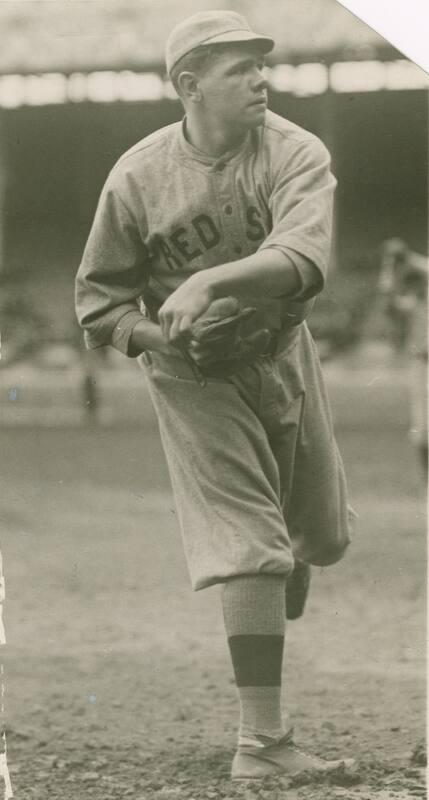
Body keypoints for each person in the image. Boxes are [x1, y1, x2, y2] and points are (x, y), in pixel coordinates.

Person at [75, 10, 355, 781]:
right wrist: (167, 339)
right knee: (247, 546)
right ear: (190, 86)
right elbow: (98, 302)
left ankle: (286, 557)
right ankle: (262, 745)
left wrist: (210, 279)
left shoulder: (296, 150)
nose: (262, 79)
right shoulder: (136, 177)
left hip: (281, 350)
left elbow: (301, 255)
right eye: (241, 69)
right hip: (191, 374)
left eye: (261, 66)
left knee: (324, 537)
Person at [378, 238, 428, 479]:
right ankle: (426, 481)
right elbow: (389, 299)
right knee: (422, 430)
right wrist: (390, 267)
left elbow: (424, 268)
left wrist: (405, 256)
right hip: (421, 363)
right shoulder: (413, 303)